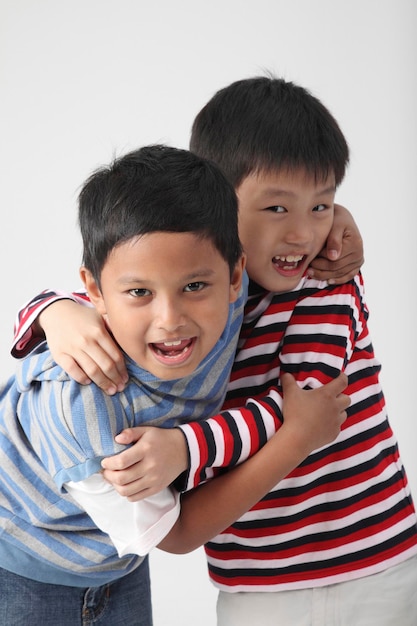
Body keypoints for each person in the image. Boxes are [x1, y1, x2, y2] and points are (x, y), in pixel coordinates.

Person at [11, 76, 417, 625]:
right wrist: (52, 309)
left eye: (321, 206)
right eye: (276, 209)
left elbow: (300, 407)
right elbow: (124, 267)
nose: (302, 233)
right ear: (222, 208)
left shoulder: (317, 284)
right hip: (244, 578)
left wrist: (183, 447)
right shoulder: (201, 293)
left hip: (369, 557)